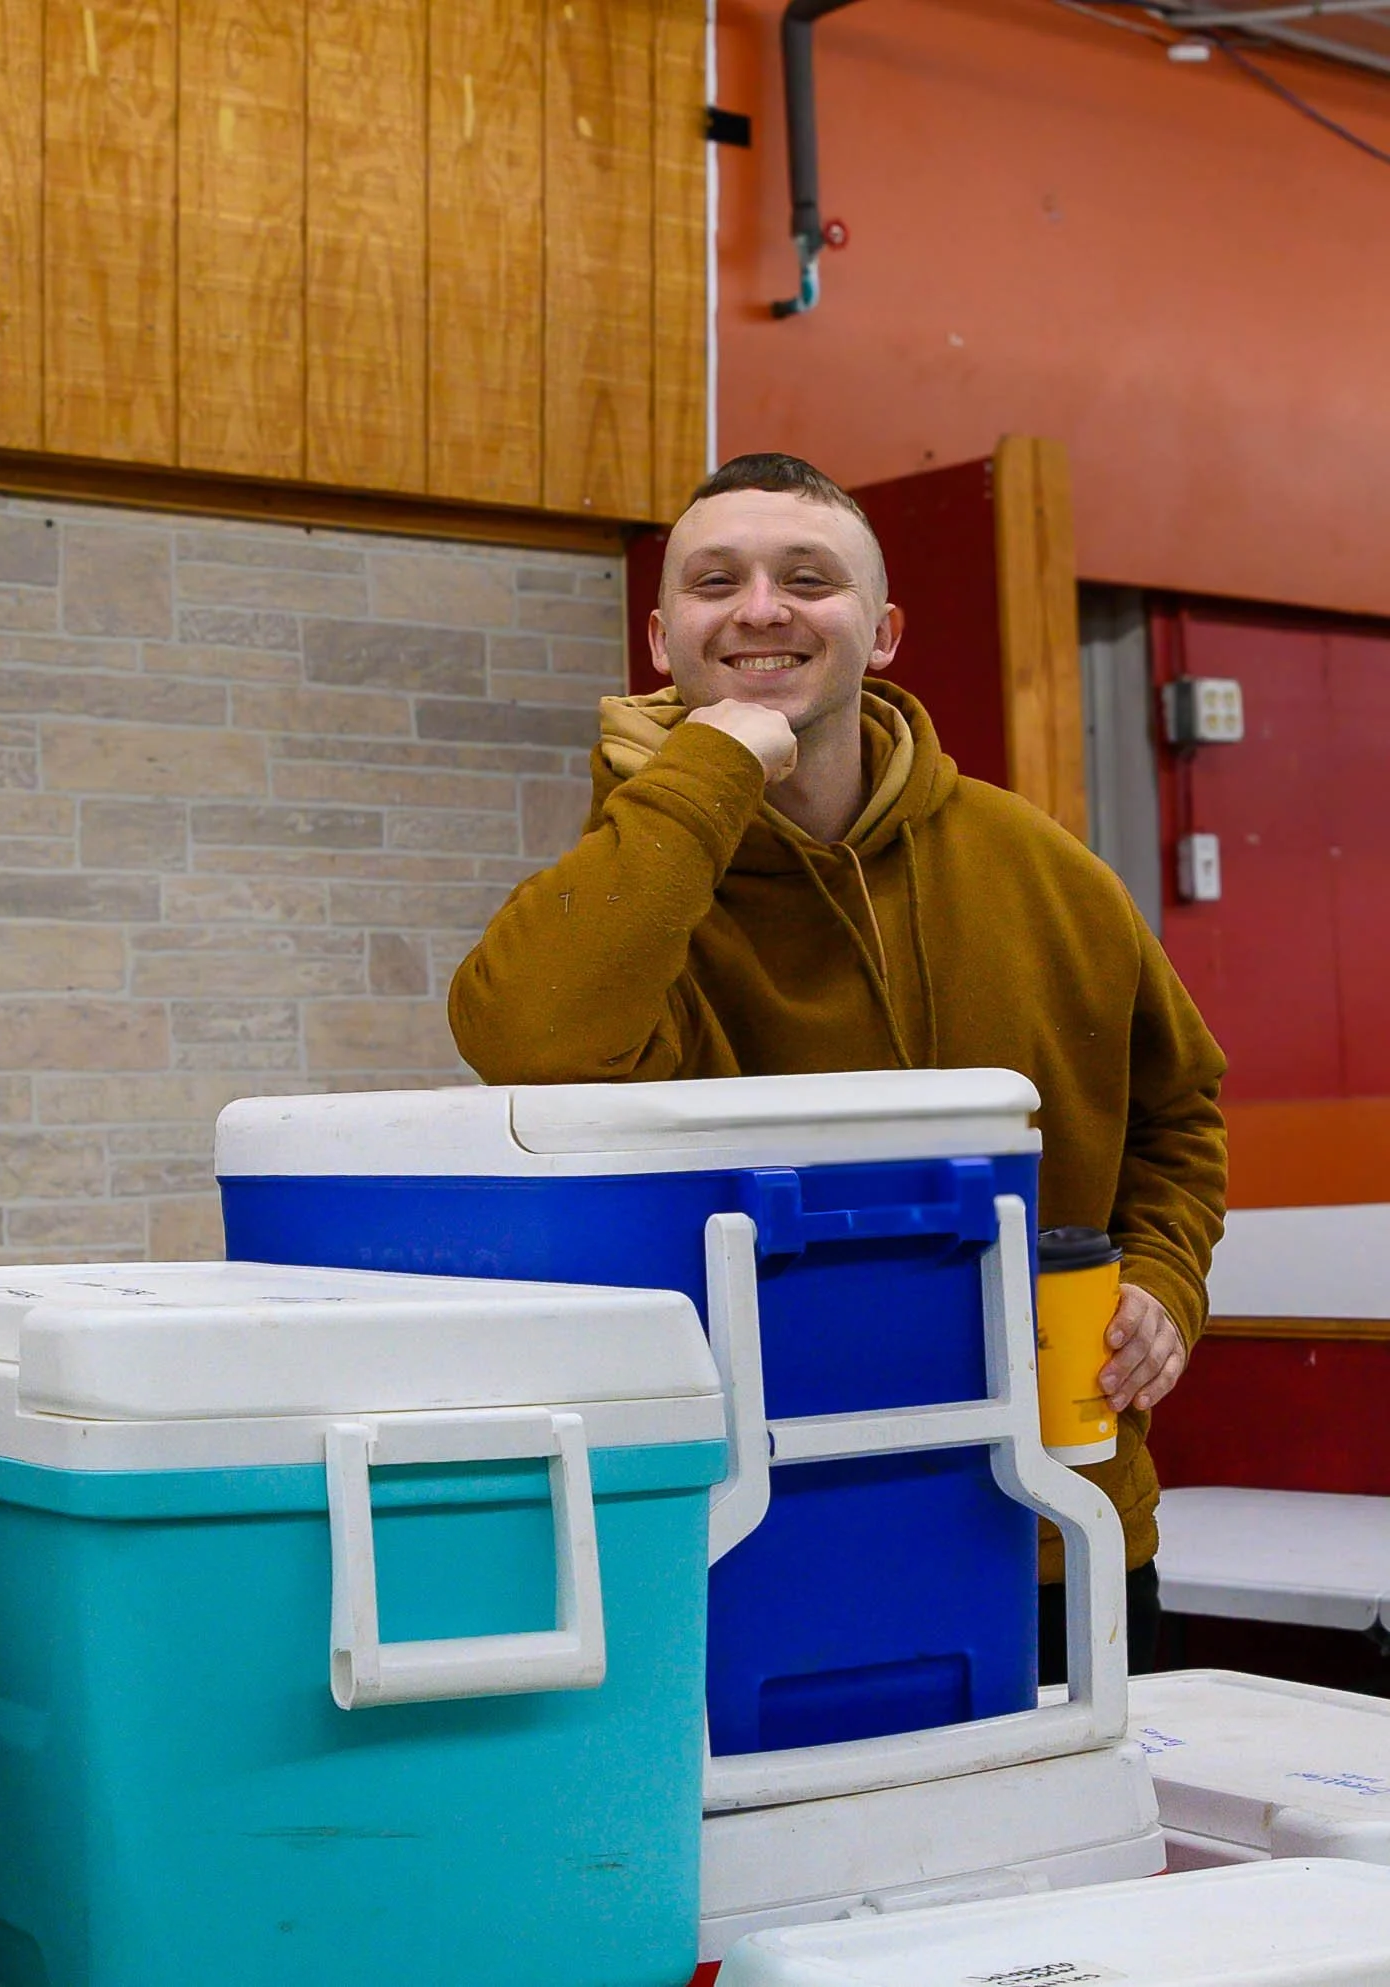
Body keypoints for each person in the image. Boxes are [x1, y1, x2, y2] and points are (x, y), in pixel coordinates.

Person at [449, 452, 1227, 1675]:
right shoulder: (630, 890)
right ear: (661, 639)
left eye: (806, 579)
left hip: (1053, 1527)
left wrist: (1166, 1287)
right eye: (716, 583)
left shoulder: (1041, 864)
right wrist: (713, 767)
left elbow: (1179, 1108)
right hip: (754, 1531)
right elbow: (531, 1045)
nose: (760, 608)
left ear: (884, 629)